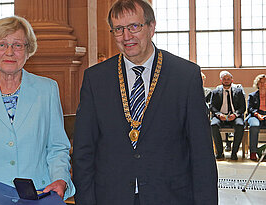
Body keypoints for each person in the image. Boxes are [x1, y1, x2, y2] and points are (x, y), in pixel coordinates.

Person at [72, 0, 218, 204]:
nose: (126, 36)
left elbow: (201, 151)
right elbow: (83, 149)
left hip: (170, 196)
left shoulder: (185, 75)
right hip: (111, 196)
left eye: (134, 26)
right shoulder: (96, 79)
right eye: (119, 29)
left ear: (151, 27)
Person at [0, 16, 75, 204]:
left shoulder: (47, 90)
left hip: (39, 196)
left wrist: (61, 179)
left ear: (28, 51)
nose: (9, 52)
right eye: (2, 44)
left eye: (18, 45)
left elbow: (57, 147)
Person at [210, 70, 246, 160]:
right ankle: (219, 152)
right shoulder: (215, 92)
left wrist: (235, 115)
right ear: (221, 80)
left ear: (232, 80)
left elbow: (243, 107)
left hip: (234, 116)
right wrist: (218, 115)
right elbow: (212, 106)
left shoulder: (238, 91)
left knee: (240, 125)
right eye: (224, 79)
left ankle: (234, 152)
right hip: (220, 116)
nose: (226, 80)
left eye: (228, 79)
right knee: (213, 125)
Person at [245, 74, 266, 161]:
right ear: (257, 84)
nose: (262, 84)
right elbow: (250, 109)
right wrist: (258, 114)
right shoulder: (252, 95)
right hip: (255, 115)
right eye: (260, 82)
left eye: (264, 82)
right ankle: (253, 152)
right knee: (254, 126)